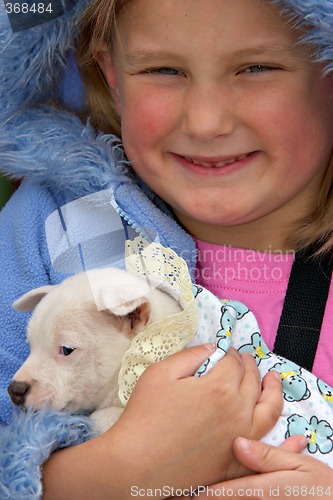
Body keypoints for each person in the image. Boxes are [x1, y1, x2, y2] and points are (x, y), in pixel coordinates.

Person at [0, 0, 333, 498]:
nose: (205, 122)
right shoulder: (56, 230)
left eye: (257, 67)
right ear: (111, 73)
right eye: (164, 70)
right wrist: (114, 474)